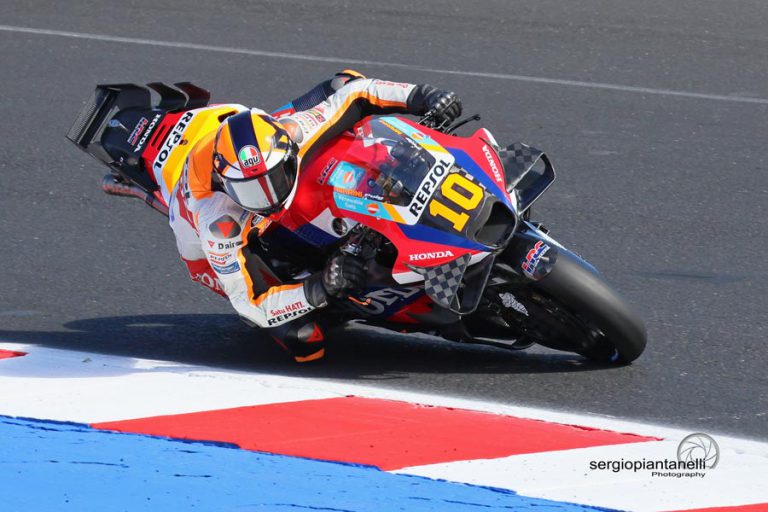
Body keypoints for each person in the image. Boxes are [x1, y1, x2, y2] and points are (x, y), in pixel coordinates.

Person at [167, 71, 462, 362]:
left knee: (344, 82)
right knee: (305, 340)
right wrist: (320, 286)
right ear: (225, 183)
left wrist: (422, 95)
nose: (268, 198)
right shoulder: (218, 222)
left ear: (286, 151)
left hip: (260, 142)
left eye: (274, 180)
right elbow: (251, 304)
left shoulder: (294, 132)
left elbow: (358, 92)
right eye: (251, 191)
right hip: (211, 256)